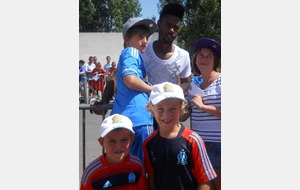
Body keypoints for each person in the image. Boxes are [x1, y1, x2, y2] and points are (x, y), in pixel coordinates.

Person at [143, 82, 217, 190]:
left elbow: (204, 181)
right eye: (160, 109)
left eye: (172, 109)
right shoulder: (148, 143)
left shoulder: (193, 140)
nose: (166, 114)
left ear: (181, 109)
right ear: (151, 109)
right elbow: (151, 176)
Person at [111, 17, 158, 161]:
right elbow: (130, 80)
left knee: (126, 166)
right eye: (140, 37)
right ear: (127, 39)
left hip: (124, 119)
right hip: (139, 120)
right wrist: (151, 89)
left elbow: (115, 80)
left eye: (146, 37)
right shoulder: (131, 52)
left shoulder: (126, 57)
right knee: (142, 167)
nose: (145, 41)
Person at [180, 38, 221, 190]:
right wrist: (182, 96)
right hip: (198, 145)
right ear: (195, 60)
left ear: (215, 60)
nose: (204, 59)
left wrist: (203, 107)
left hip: (219, 146)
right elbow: (183, 117)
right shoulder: (193, 85)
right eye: (201, 55)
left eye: (209, 55)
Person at [80, 114, 149, 190]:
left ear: (131, 139)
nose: (118, 147)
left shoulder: (137, 165)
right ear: (102, 142)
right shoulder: (91, 172)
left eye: (124, 140)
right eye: (112, 141)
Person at [142, 2, 192, 86]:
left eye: (175, 27)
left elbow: (186, 87)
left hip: (172, 99)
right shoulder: (143, 50)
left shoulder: (184, 56)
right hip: (145, 99)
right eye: (168, 25)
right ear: (159, 24)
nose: (172, 30)